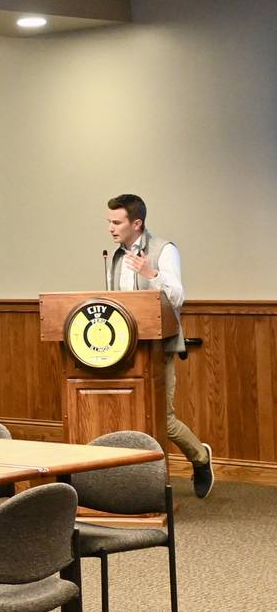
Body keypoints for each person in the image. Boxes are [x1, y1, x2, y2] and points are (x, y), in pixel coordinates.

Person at [106, 193, 213, 497]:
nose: (111, 228)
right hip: (124, 349)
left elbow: (178, 298)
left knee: (161, 418)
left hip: (158, 347)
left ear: (136, 223)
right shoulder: (114, 256)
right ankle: (134, 485)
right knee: (131, 416)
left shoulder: (164, 250)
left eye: (117, 222)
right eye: (109, 222)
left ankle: (200, 457)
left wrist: (150, 273)